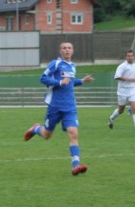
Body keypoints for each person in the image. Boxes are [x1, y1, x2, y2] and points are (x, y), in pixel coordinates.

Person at [23, 42, 94, 176]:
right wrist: (59, 82)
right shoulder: (55, 64)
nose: (67, 50)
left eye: (69, 48)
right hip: (55, 106)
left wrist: (82, 81)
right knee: (46, 135)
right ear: (60, 51)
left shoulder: (73, 66)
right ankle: (35, 129)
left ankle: (75, 166)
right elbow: (43, 78)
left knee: (73, 133)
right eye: (64, 48)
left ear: (73, 51)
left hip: (70, 107)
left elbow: (70, 83)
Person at [108, 50, 135, 136]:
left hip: (133, 90)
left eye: (131, 56)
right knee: (121, 110)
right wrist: (129, 79)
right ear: (126, 57)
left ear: (133, 57)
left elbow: (133, 75)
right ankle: (111, 118)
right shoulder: (122, 66)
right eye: (128, 56)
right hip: (122, 91)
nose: (130, 57)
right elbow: (117, 77)